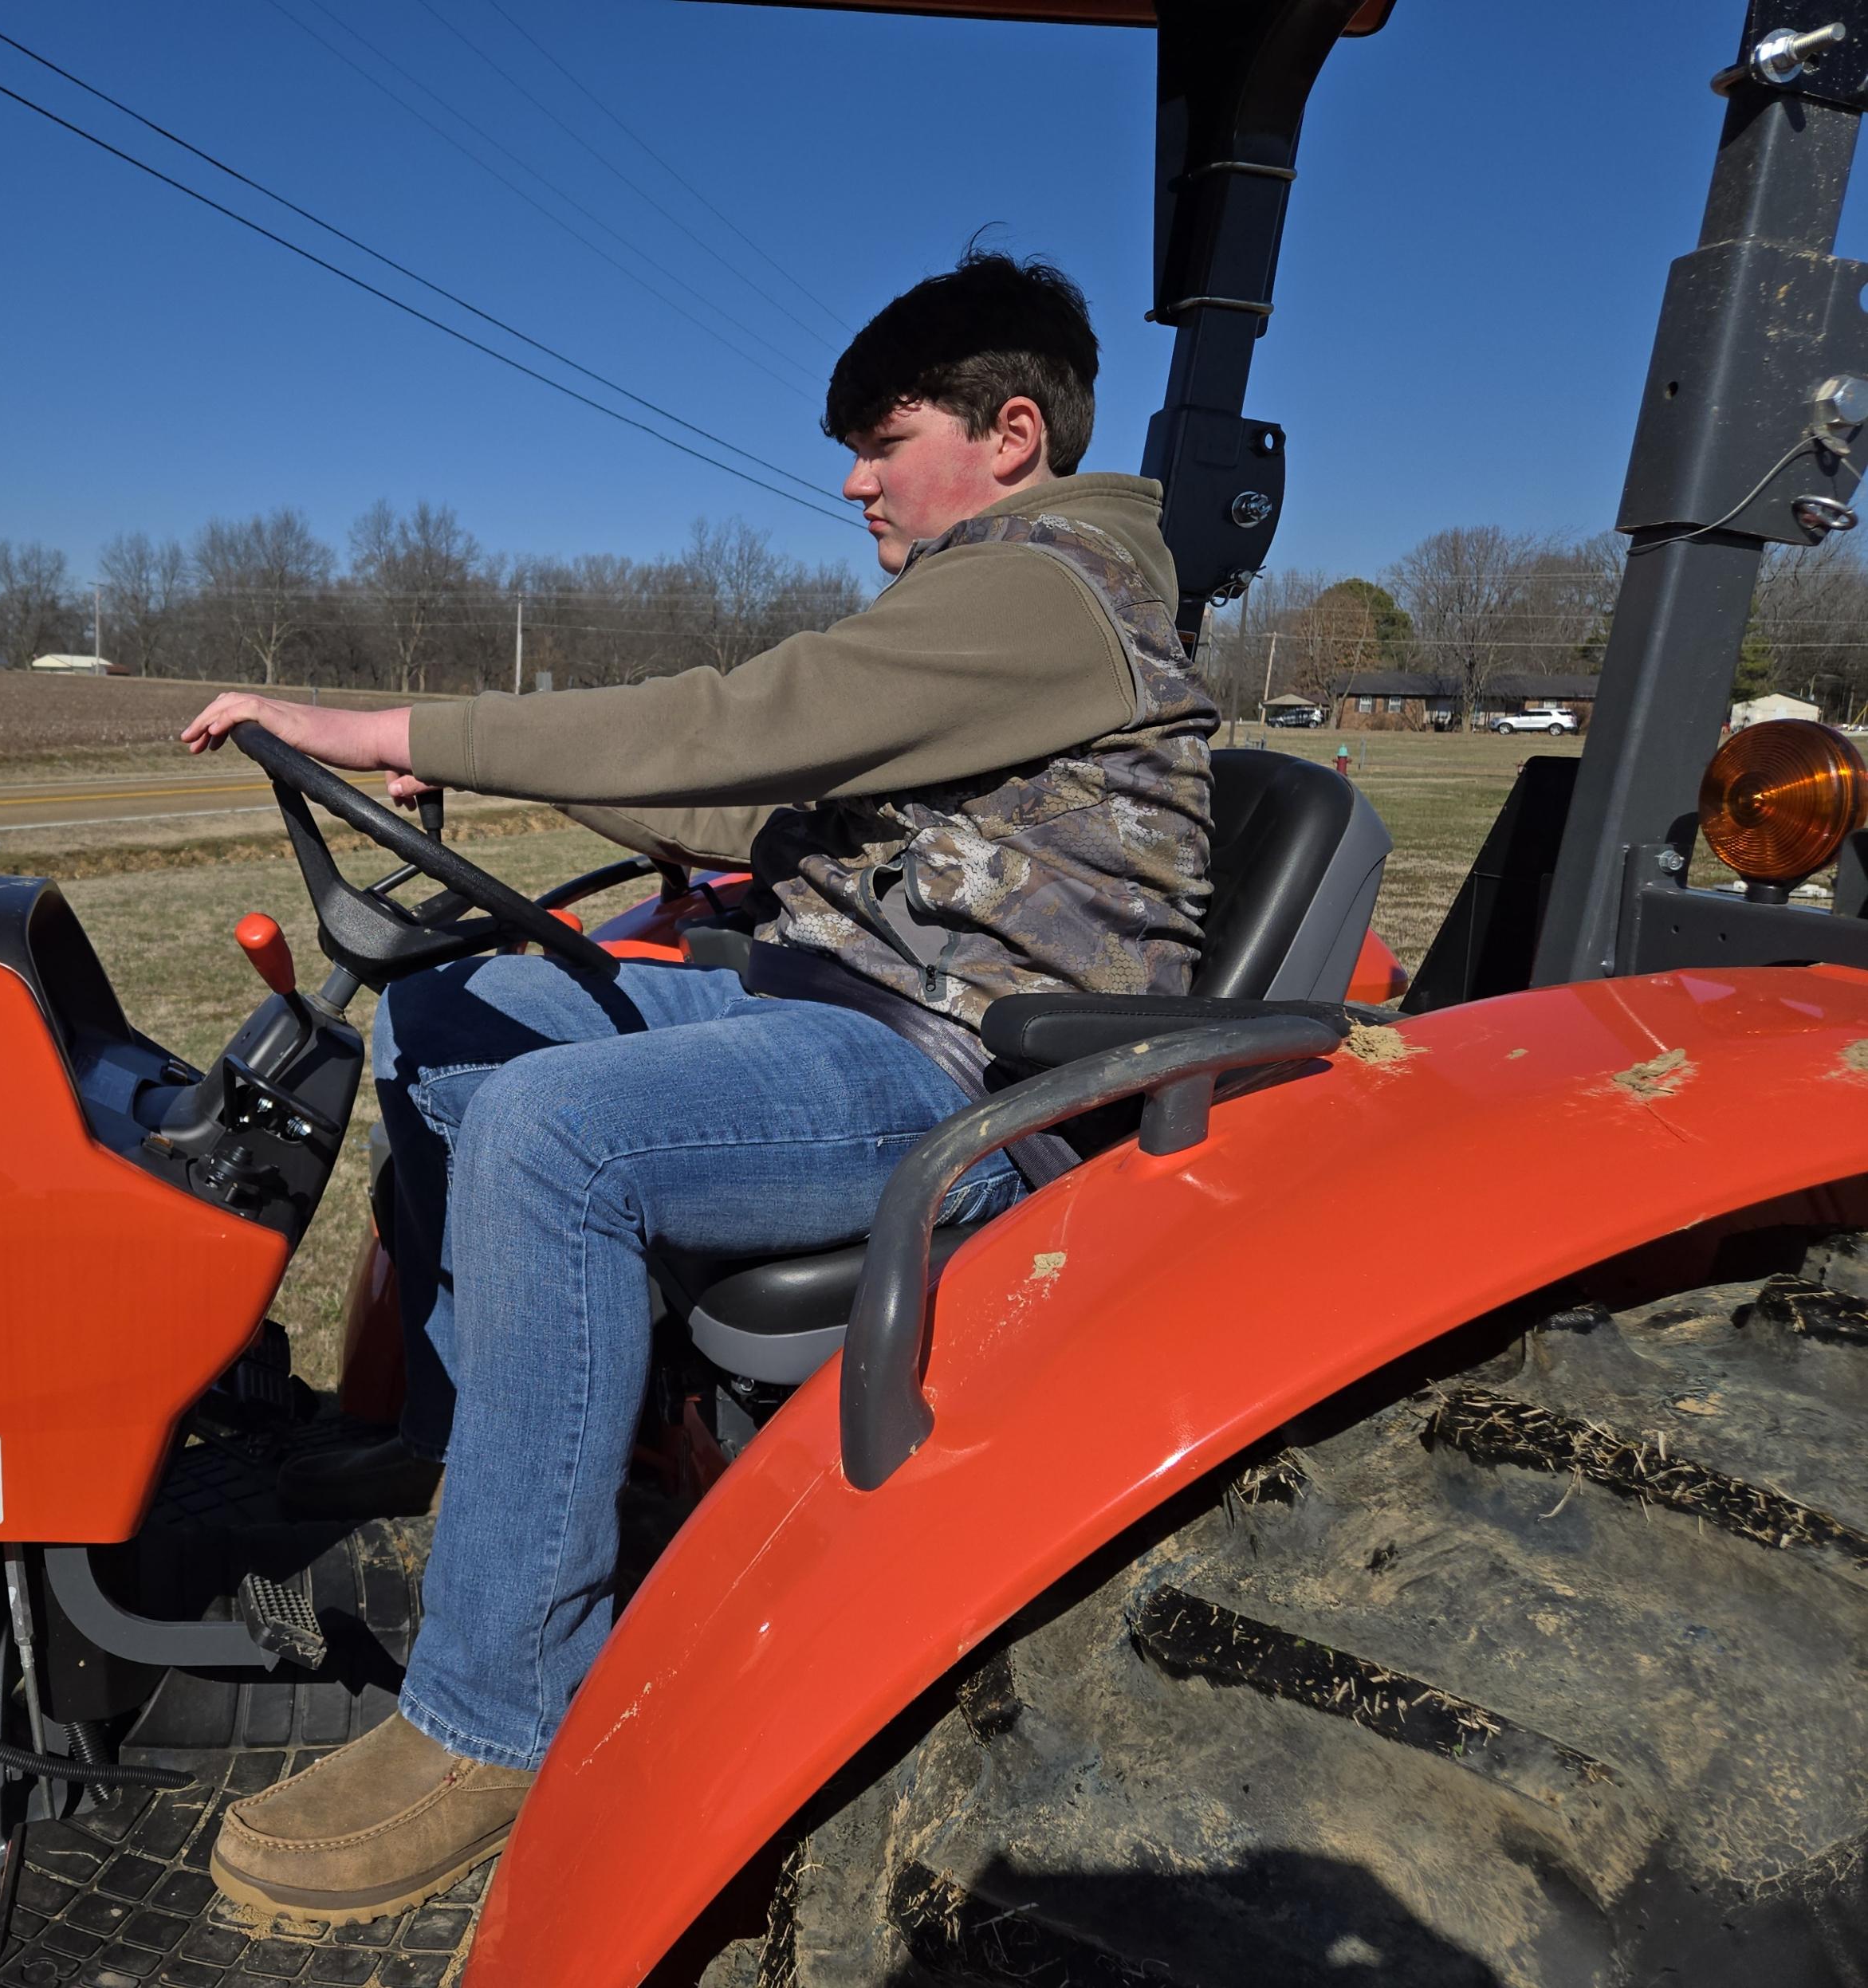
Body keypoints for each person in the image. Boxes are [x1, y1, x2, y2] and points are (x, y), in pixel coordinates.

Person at [179, 249, 1218, 1925]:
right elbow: (781, 807)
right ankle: (463, 1446)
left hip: (951, 1071)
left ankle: (500, 1714)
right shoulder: (980, 609)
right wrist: (522, 783)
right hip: (821, 1002)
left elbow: (746, 724)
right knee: (445, 1017)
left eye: (883, 441)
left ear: (1009, 431)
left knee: (547, 1130)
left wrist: (393, 726)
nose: (853, 478)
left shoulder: (1052, 581)